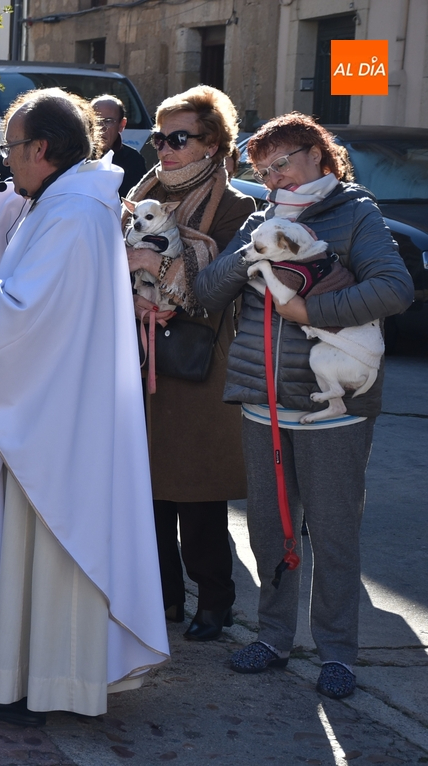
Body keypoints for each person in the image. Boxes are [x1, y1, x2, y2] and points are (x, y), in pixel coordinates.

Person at [0, 87, 169, 724]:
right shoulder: (62, 197)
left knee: (43, 546)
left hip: (53, 427)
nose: (7, 159)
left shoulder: (73, 213)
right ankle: (14, 676)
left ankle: (37, 685)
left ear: (42, 149)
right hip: (47, 413)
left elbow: (25, 315)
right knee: (26, 548)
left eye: (14, 147)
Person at [196, 113, 413, 699]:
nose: (274, 180)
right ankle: (272, 637)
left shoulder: (355, 212)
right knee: (269, 530)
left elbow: (394, 288)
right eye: (263, 171)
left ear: (318, 155)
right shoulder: (264, 216)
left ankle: (337, 652)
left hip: (335, 408)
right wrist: (251, 254)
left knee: (336, 532)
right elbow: (207, 292)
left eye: (283, 164)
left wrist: (308, 313)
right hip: (262, 403)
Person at [123, 85, 256, 642]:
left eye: (179, 138)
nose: (165, 148)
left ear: (212, 144)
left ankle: (215, 603)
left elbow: (215, 286)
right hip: (137, 358)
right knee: (147, 491)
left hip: (200, 361)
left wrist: (157, 259)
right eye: (159, 137)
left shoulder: (237, 206)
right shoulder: (139, 193)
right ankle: (164, 601)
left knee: (199, 496)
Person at [91, 94, 145, 198]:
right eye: (96, 121)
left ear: (122, 125)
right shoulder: (75, 156)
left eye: (108, 121)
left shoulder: (133, 161)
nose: (101, 128)